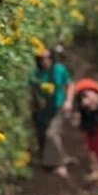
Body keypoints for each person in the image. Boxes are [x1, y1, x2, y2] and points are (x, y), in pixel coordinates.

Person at [28, 47, 75, 177]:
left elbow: (70, 84)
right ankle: (47, 163)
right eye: (42, 58)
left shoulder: (60, 70)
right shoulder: (35, 74)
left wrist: (69, 101)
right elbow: (33, 92)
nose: (45, 61)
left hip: (58, 107)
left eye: (48, 58)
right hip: (42, 110)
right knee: (42, 136)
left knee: (52, 134)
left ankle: (60, 163)